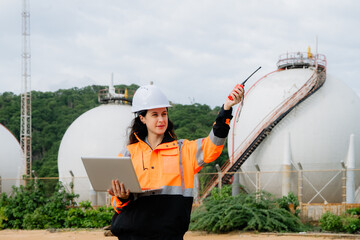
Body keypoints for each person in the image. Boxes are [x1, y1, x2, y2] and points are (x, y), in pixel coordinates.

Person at [108, 84, 244, 240]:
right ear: (142, 118)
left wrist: (226, 109)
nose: (161, 119)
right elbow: (116, 204)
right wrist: (122, 197)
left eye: (164, 114)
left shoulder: (183, 150)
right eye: (154, 115)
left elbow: (213, 146)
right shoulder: (128, 153)